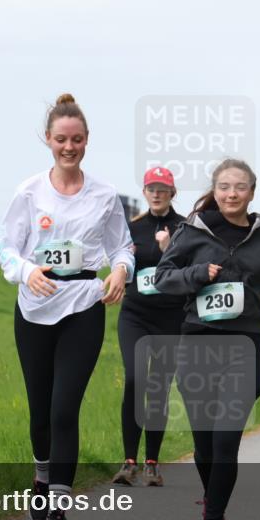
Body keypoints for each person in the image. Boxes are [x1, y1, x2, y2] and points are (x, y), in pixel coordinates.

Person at [0, 94, 134, 520]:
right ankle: (41, 474)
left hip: (83, 305)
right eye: (61, 140)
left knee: (64, 408)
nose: (68, 147)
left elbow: (123, 247)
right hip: (35, 307)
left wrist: (119, 271)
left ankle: (57, 508)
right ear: (48, 140)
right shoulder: (29, 192)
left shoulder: (106, 196)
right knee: (39, 410)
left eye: (76, 140)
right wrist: (27, 271)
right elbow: (5, 251)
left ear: (87, 141)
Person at [154, 158, 260, 520]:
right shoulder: (193, 230)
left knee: (226, 440)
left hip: (244, 344)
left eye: (240, 187)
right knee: (204, 446)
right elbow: (163, 278)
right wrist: (198, 275)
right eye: (225, 187)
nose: (232, 194)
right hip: (199, 341)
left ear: (252, 192)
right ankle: (214, 499)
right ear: (215, 190)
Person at [112, 167, 186, 488]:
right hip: (136, 314)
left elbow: (191, 272)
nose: (156, 193)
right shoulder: (132, 229)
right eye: (151, 188)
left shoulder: (185, 228)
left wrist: (170, 248)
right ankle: (129, 461)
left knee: (158, 387)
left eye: (163, 188)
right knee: (135, 378)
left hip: (170, 317)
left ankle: (152, 463)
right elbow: (121, 263)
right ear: (144, 192)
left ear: (172, 193)